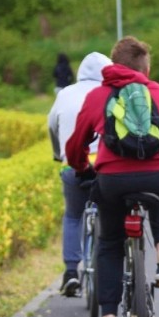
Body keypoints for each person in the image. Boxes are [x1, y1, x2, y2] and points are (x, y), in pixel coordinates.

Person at [66, 36, 159, 317]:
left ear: (112, 66)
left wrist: (83, 169)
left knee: (110, 244)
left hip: (112, 180)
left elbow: (76, 145)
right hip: (158, 176)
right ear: (147, 68)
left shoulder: (98, 96)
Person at [48, 52, 113, 297]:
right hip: (107, 168)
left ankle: (71, 272)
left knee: (74, 216)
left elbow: (52, 125)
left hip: (73, 166)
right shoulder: (111, 93)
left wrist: (59, 153)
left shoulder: (65, 94)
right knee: (110, 215)